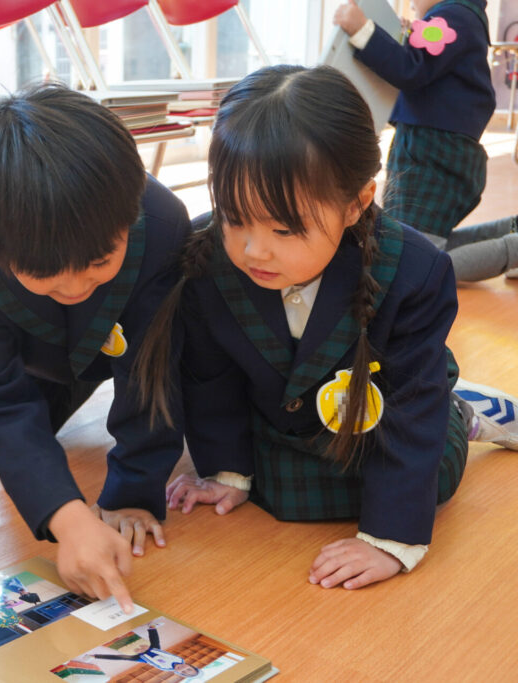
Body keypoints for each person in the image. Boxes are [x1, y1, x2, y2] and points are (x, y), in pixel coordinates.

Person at [134, 64, 518, 591]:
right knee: (276, 488)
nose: (253, 250)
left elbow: (409, 413)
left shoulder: (416, 271)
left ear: (356, 203)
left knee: (435, 473)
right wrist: (227, 472)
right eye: (234, 217)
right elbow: (210, 377)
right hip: (281, 423)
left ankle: (460, 411)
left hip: (389, 413)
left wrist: (387, 539)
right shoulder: (205, 258)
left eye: (283, 229)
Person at [0, 83, 192, 612]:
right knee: (29, 442)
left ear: (130, 217)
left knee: (151, 367)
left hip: (120, 343)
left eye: (98, 261)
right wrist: (67, 518)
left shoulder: (163, 225)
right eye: (44, 272)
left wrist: (134, 492)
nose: (75, 286)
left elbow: (152, 368)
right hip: (41, 360)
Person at [333, 0, 518, 282]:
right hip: (438, 150)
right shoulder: (460, 17)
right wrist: (411, 36)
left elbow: (409, 68)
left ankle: (513, 249)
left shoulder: (452, 17)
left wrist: (362, 30)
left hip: (431, 152)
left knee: (409, 260)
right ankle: (511, 230)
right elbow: (425, 67)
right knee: (418, 244)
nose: (411, 3)